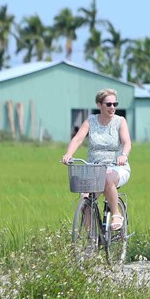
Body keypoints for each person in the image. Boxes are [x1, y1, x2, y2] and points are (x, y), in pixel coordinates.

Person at [61, 88, 132, 231]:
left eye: (115, 104)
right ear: (99, 105)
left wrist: (124, 155)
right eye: (108, 104)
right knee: (85, 198)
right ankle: (90, 240)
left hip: (116, 166)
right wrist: (68, 154)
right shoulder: (90, 121)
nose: (112, 107)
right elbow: (78, 139)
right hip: (94, 168)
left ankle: (116, 214)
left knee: (107, 179)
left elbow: (126, 142)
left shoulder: (120, 121)